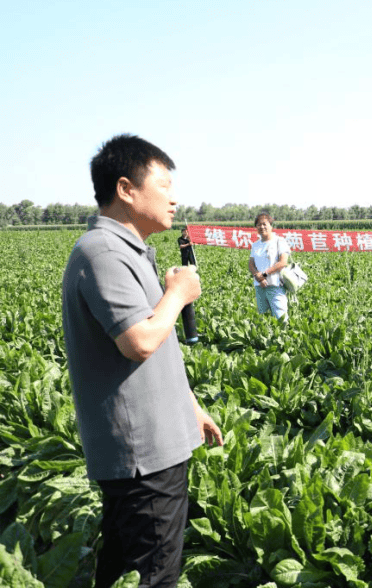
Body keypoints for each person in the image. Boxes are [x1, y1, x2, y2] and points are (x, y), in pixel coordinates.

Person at [62, 134, 223, 588]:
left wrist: (189, 407)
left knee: (126, 570)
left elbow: (157, 348)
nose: (174, 198)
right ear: (126, 190)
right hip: (143, 457)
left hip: (156, 447)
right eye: (164, 185)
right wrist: (178, 293)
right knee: (153, 575)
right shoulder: (103, 253)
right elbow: (139, 342)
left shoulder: (126, 251)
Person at [248, 211, 291, 323]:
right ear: (256, 227)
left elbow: (282, 262)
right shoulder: (255, 245)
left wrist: (264, 275)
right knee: (264, 318)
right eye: (258, 225)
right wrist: (258, 276)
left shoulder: (279, 241)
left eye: (264, 224)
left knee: (281, 318)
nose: (262, 227)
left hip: (275, 285)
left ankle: (283, 338)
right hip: (259, 287)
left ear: (271, 226)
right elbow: (251, 264)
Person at [176, 226, 200, 343]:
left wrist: (192, 243)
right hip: (184, 255)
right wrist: (188, 244)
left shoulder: (189, 238)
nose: (185, 232)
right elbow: (181, 246)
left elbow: (194, 245)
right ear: (182, 232)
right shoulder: (180, 239)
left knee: (193, 266)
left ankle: (193, 276)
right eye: (184, 231)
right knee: (185, 267)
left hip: (190, 254)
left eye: (186, 231)